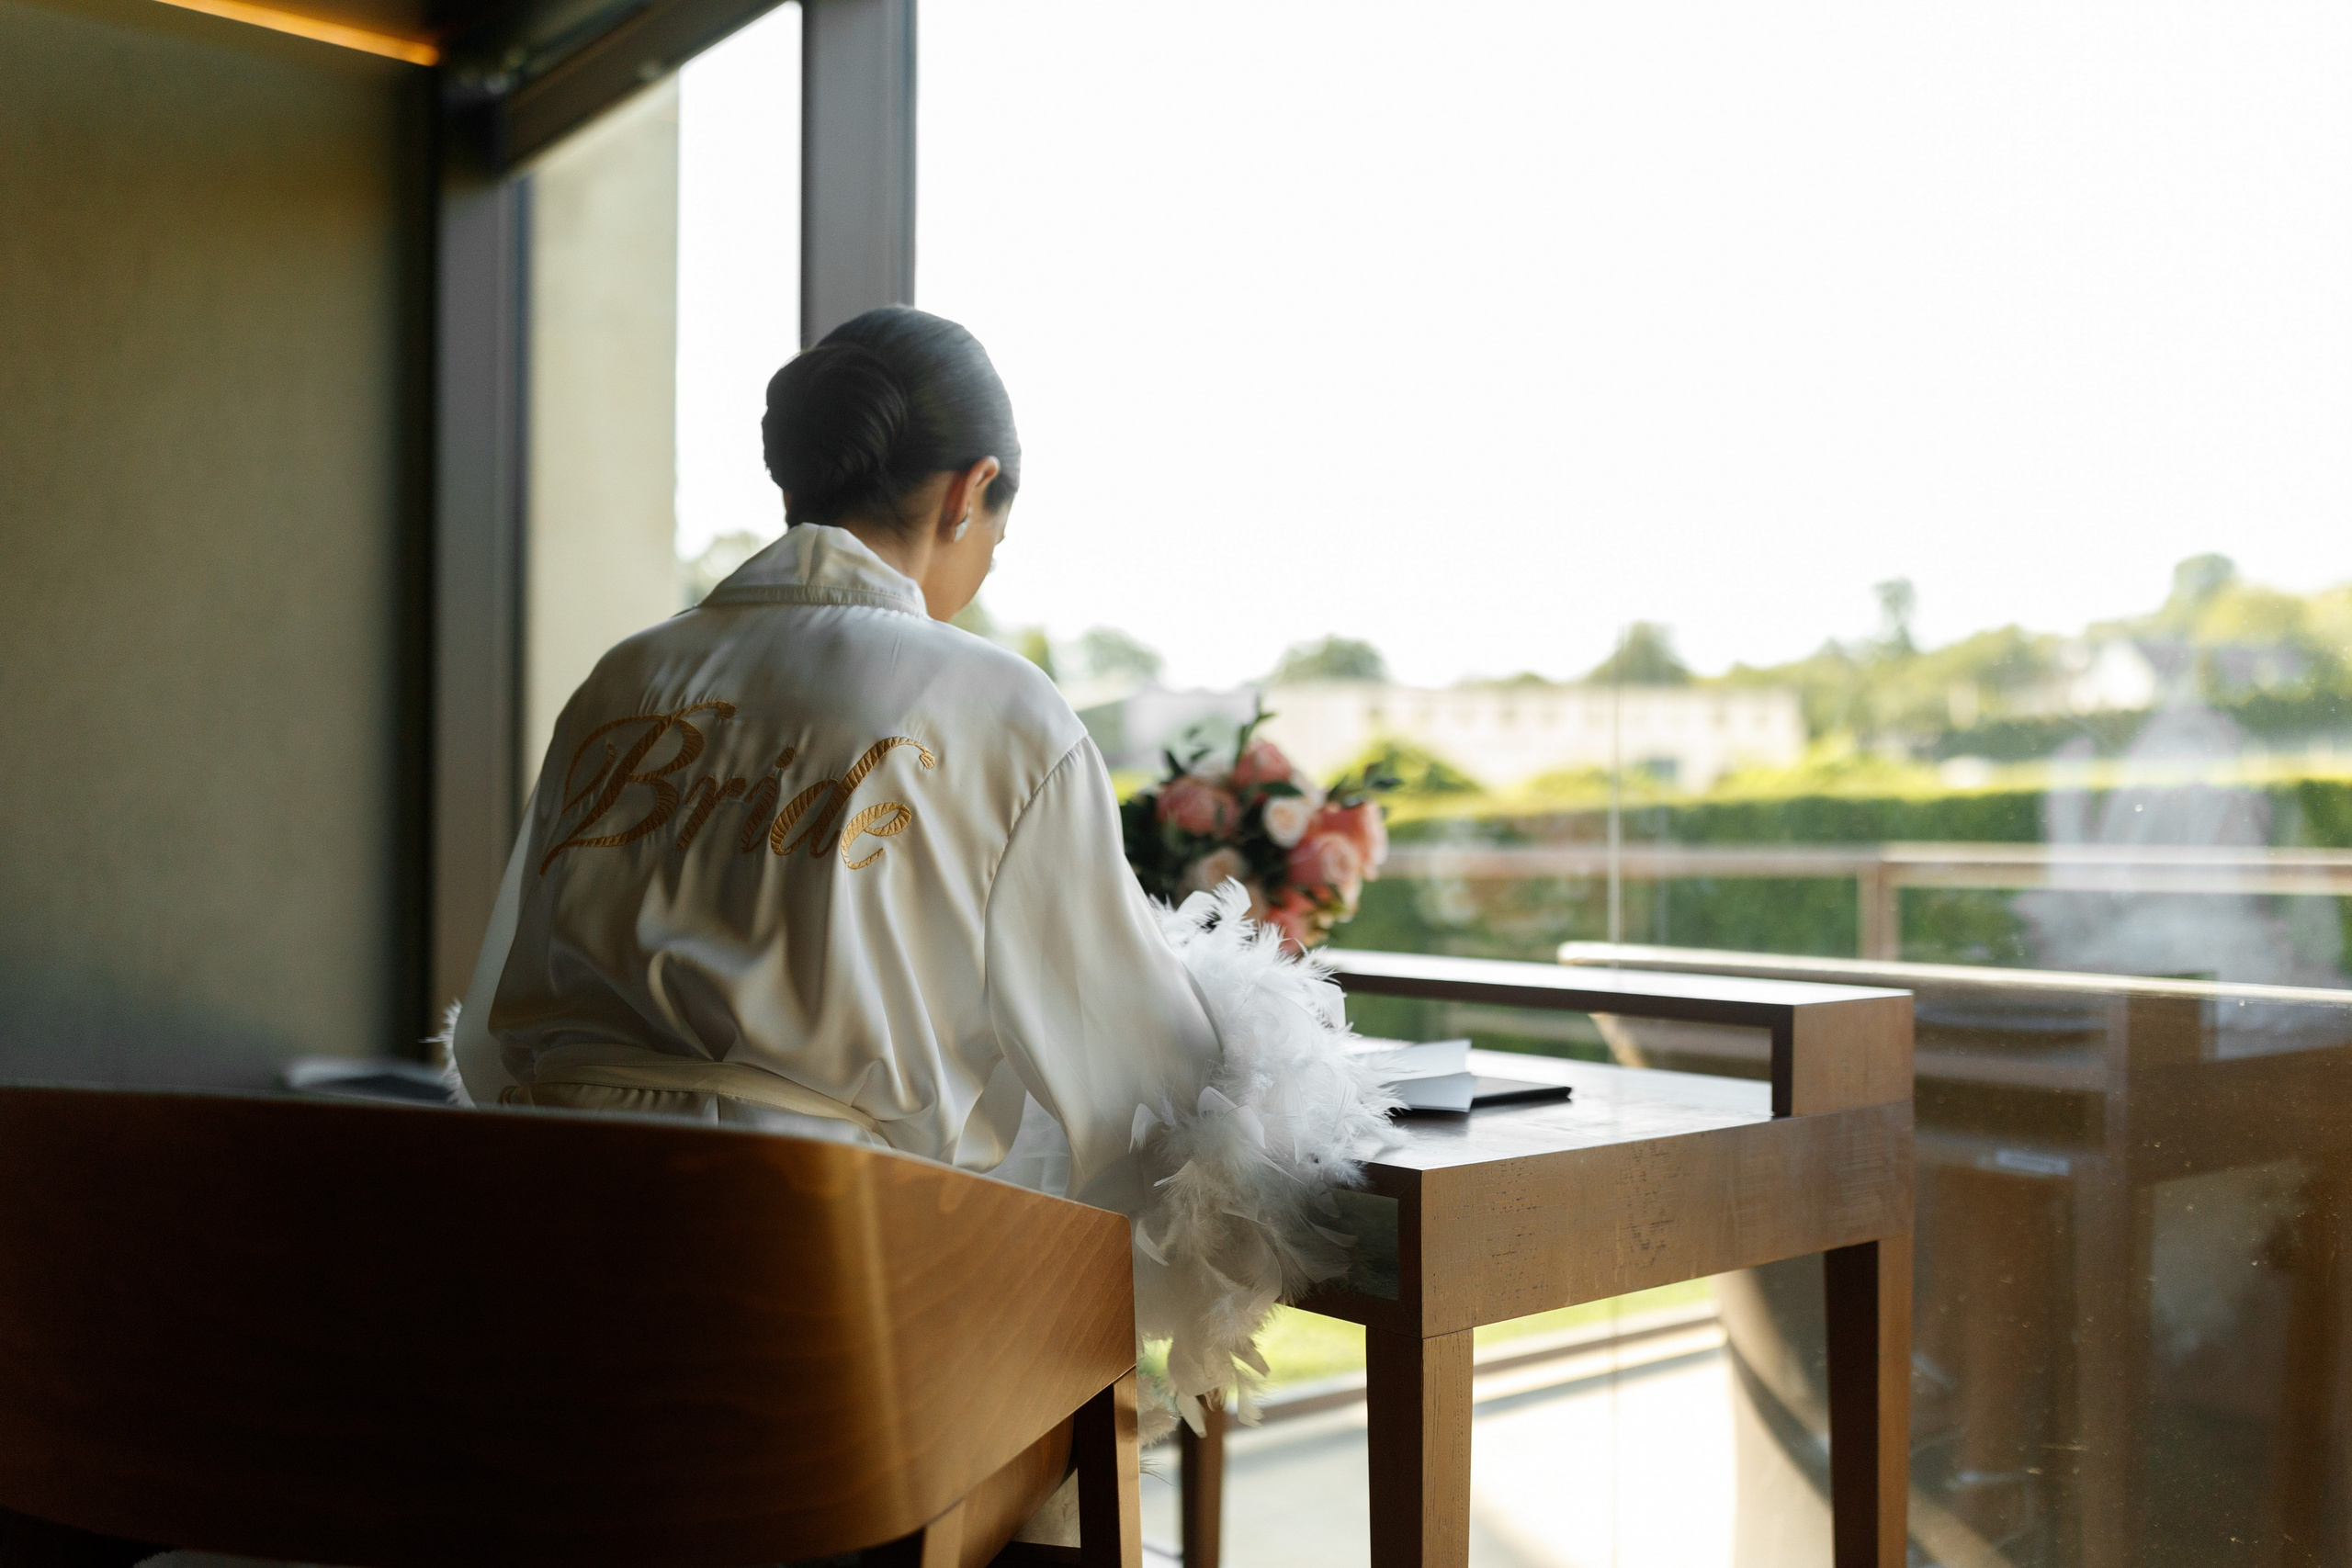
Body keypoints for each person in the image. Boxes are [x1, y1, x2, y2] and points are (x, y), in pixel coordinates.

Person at [446, 307, 1393, 1470]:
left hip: (537, 1335)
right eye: (997, 524)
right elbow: (1151, 1091)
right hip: (814, 1363)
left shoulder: (624, 680)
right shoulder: (995, 706)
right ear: (969, 490)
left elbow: (492, 1050)